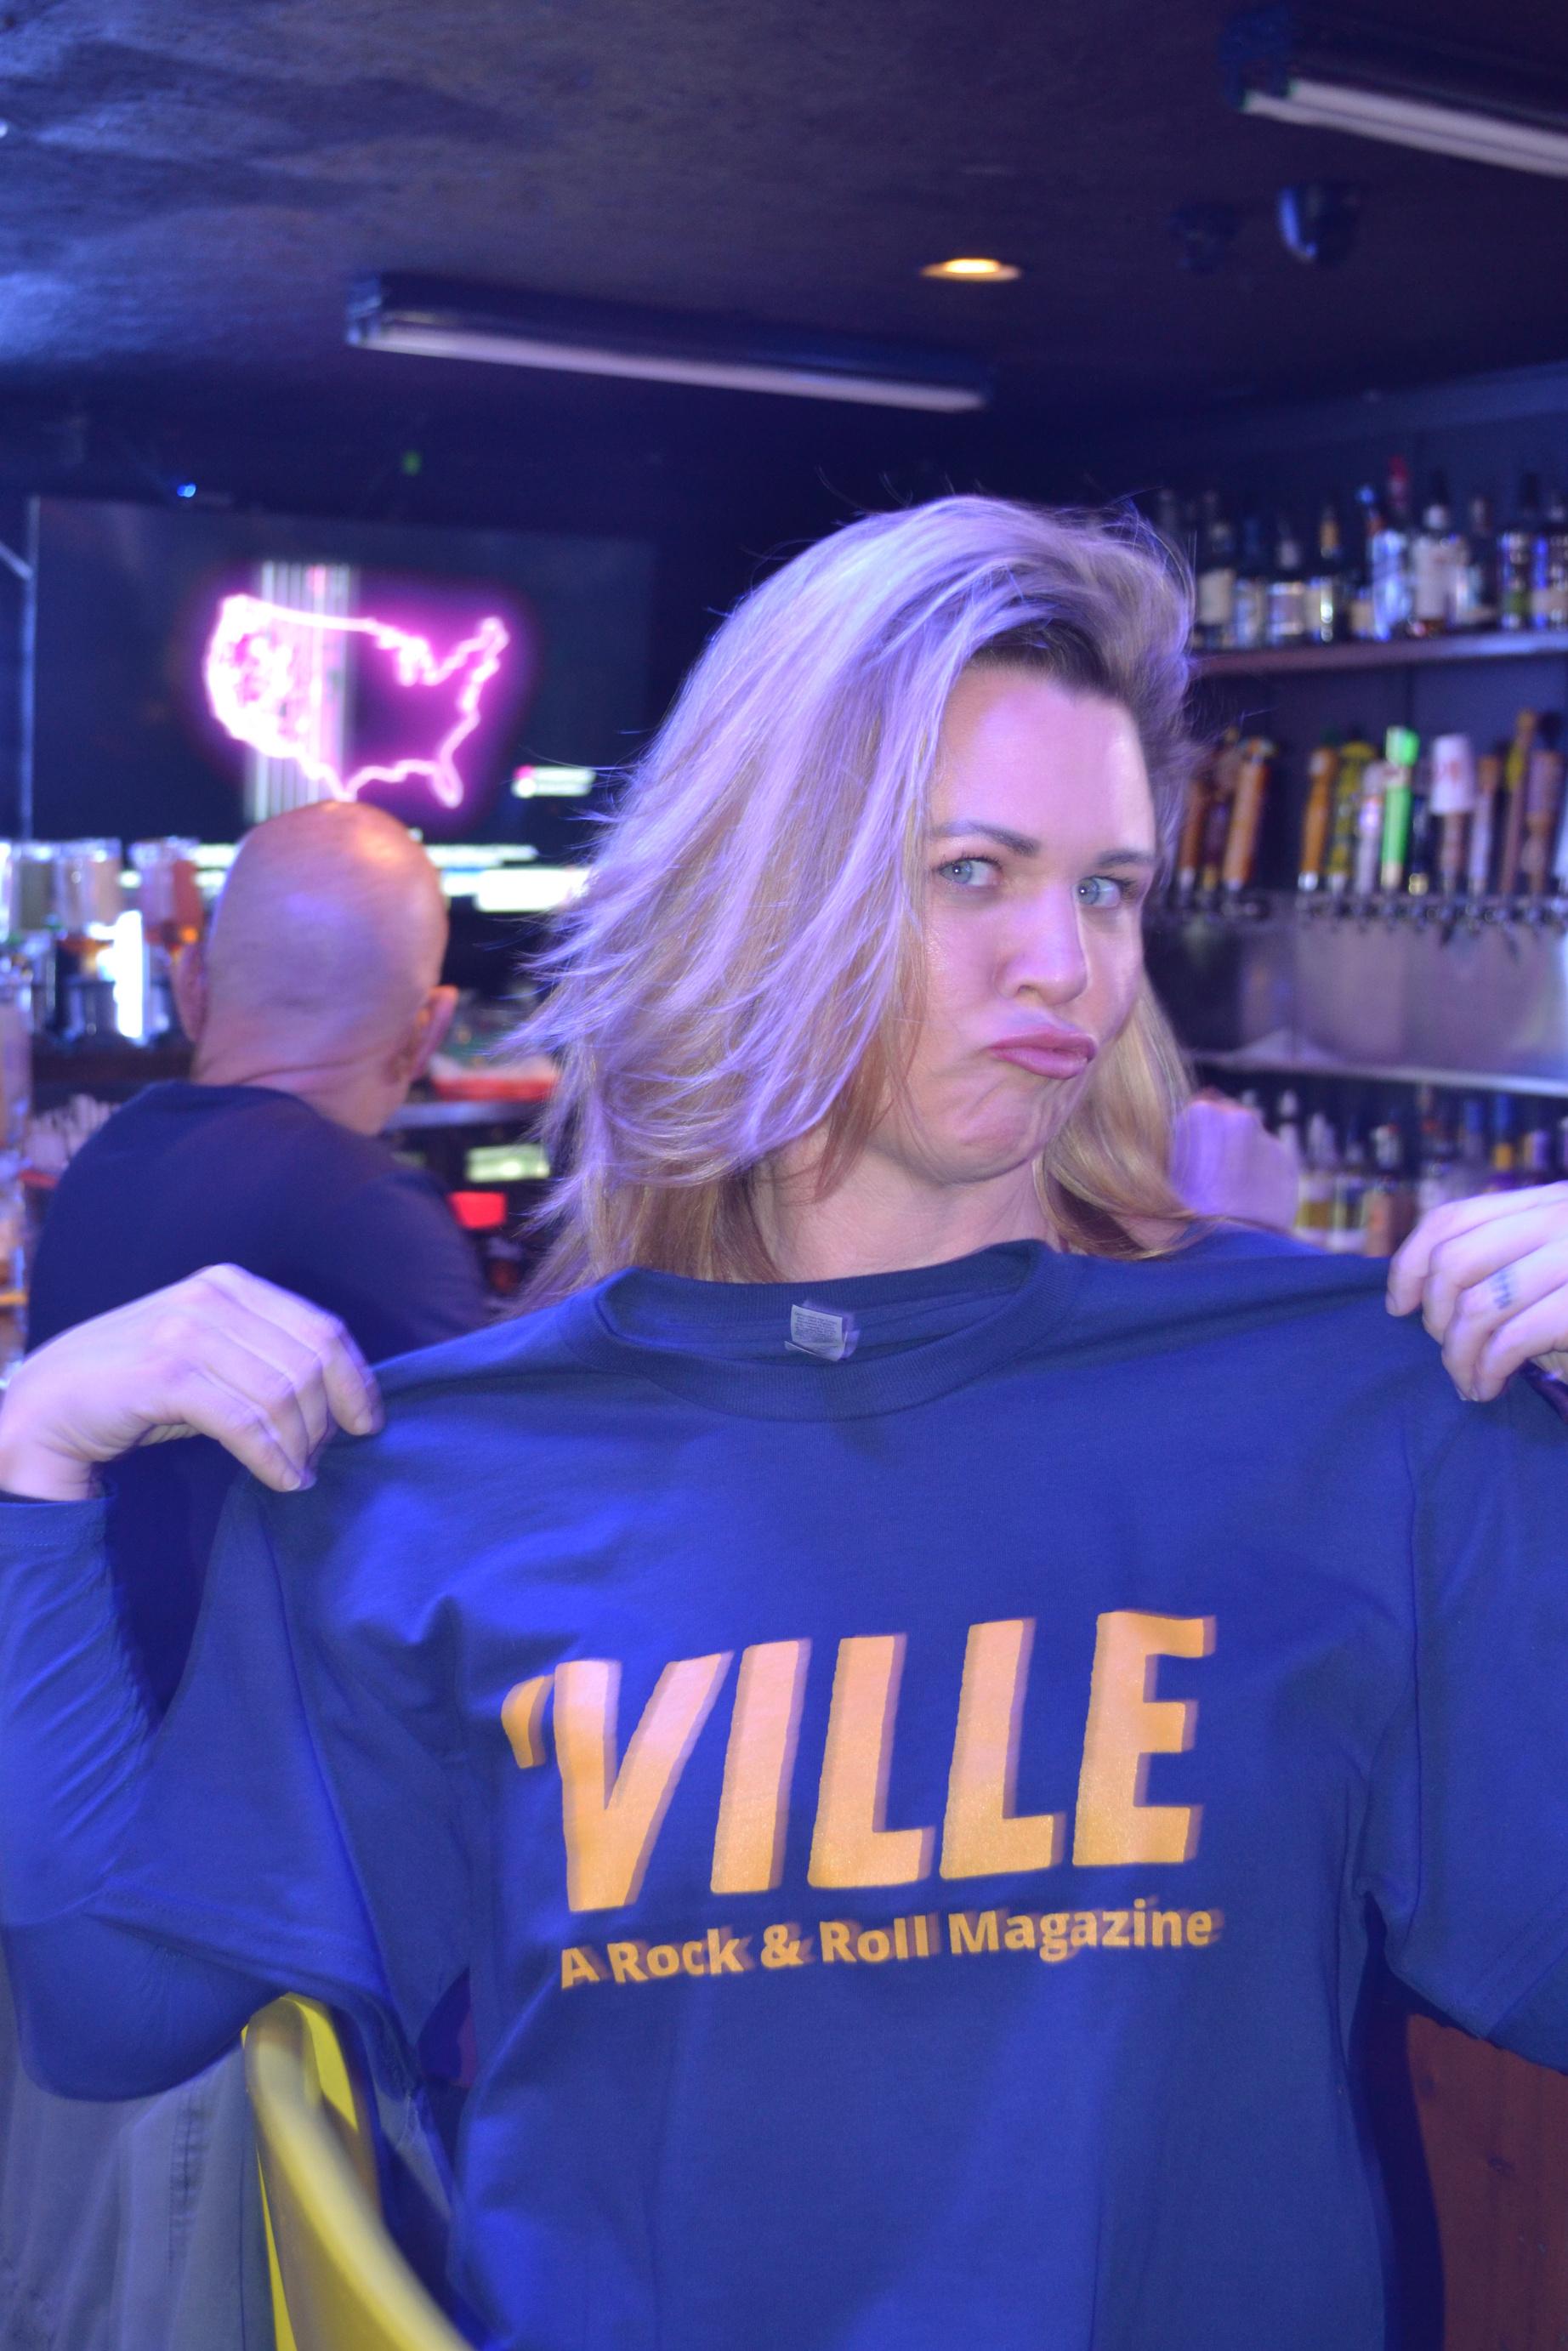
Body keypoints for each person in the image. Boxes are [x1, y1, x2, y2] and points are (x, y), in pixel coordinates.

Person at [3, 498, 1568, 2351]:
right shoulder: (438, 1491)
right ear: (765, 886)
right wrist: (30, 1459)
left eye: (1106, 887)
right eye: (971, 871)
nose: (1066, 968)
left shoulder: (1357, 1422)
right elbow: (114, 2012)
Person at [1, 798, 489, 2351]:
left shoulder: (114, 1163)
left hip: (75, 1880)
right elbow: (498, 1565)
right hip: (196, 1984)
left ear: (197, 980)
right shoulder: (365, 1214)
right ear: (428, 1027)